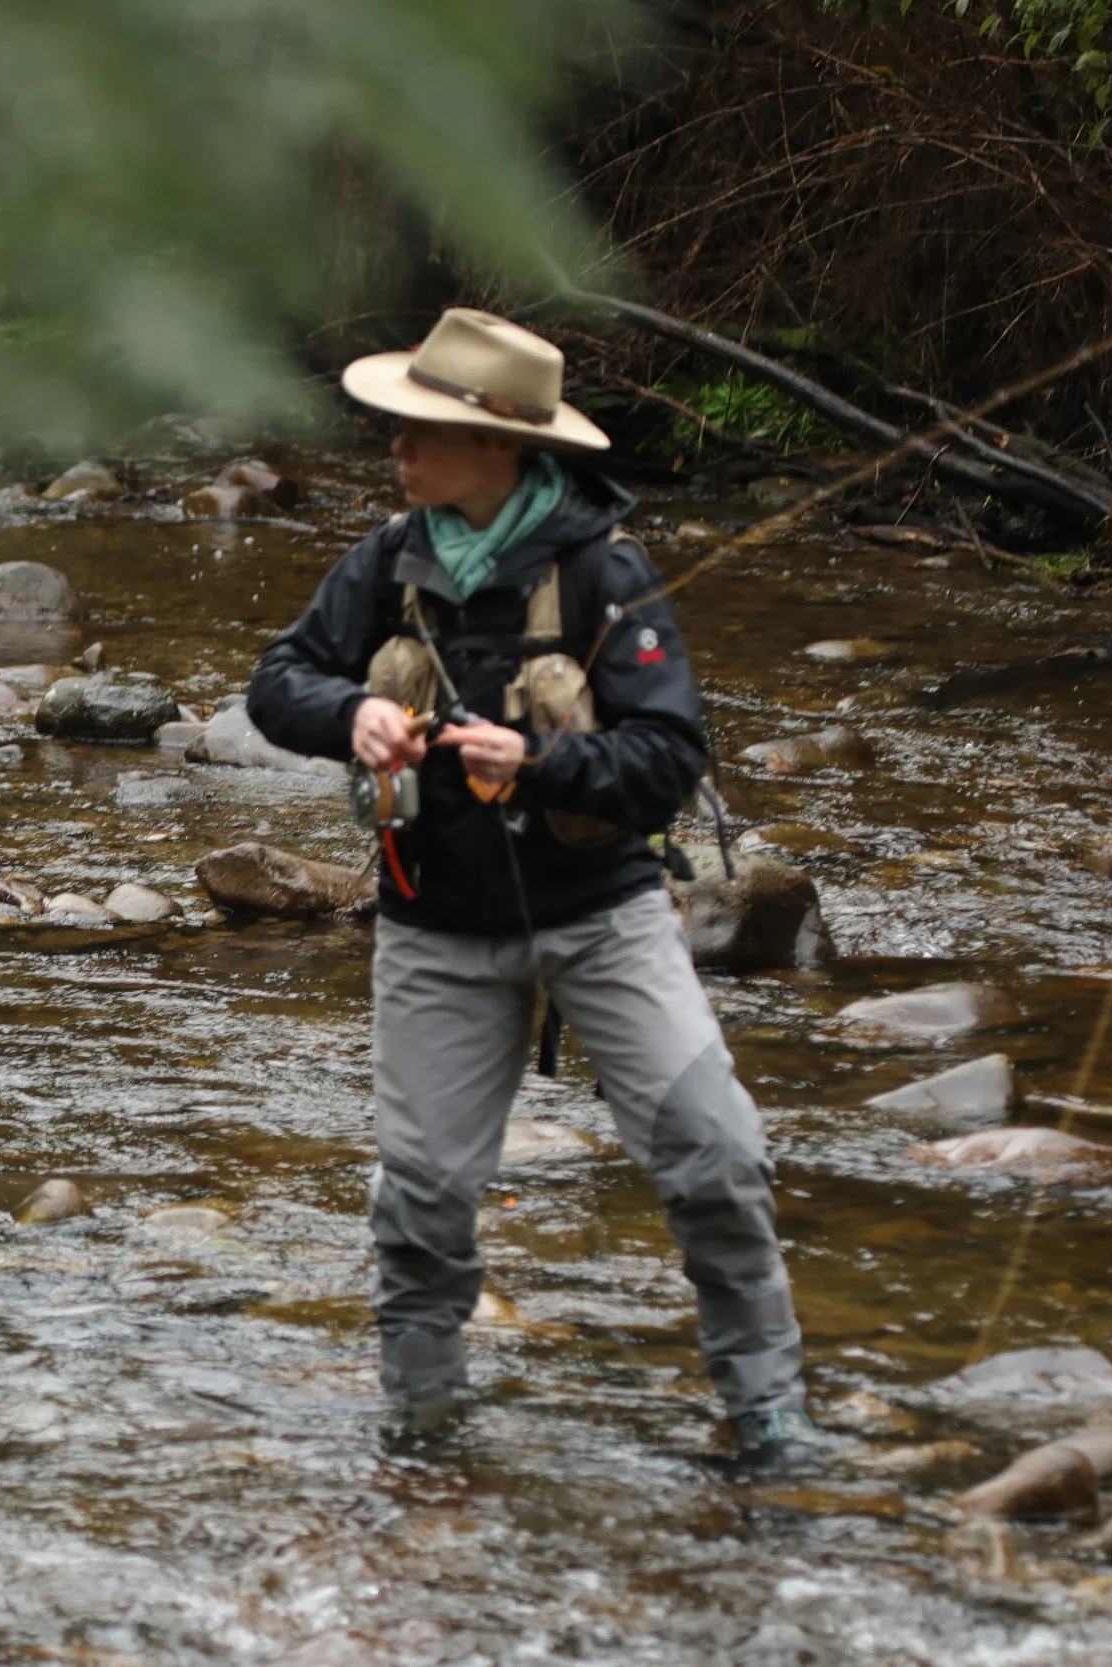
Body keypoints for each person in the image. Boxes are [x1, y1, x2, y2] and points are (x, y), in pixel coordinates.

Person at [246, 307, 817, 1458]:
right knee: (419, 1209)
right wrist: (347, 710)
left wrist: (544, 760)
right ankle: (421, 1431)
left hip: (601, 921)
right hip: (434, 933)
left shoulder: (607, 572)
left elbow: (668, 762)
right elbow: (275, 682)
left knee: (716, 1157)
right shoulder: (386, 562)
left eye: (419, 433)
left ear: (502, 445)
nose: (395, 453)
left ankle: (766, 1415)